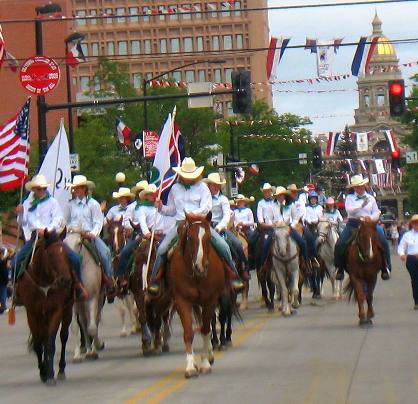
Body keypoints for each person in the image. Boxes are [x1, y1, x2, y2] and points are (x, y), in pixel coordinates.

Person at [148, 157, 244, 295]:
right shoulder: (175, 188)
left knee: (223, 245)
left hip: (200, 223)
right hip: (181, 224)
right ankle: (155, 280)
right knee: (162, 249)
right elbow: (172, 210)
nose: (188, 178)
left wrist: (192, 214)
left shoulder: (202, 187)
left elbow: (207, 207)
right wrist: (160, 207)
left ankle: (234, 275)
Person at [12, 174, 88, 299]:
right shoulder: (27, 203)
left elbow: (58, 219)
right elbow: (23, 222)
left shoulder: (52, 202)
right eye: (38, 189)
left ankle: (78, 286)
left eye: (42, 188)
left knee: (75, 258)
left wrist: (46, 230)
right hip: (34, 237)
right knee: (16, 262)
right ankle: (17, 291)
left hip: (51, 237)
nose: (40, 191)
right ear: (34, 190)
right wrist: (20, 213)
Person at [335, 175, 391, 281]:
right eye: (357, 186)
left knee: (383, 241)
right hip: (353, 224)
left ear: (364, 186)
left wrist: (370, 218)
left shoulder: (371, 198)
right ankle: (340, 268)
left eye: (361, 186)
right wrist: (361, 206)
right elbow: (349, 210)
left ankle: (386, 267)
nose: (359, 188)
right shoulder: (350, 198)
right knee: (340, 243)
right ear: (354, 188)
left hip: (369, 224)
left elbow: (376, 212)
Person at [65, 175, 115, 296]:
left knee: (106, 252)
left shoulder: (93, 204)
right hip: (73, 236)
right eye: (75, 188)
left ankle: (109, 280)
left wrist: (92, 234)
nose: (76, 190)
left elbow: (98, 222)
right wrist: (71, 229)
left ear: (85, 189)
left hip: (89, 235)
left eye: (78, 188)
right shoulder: (70, 204)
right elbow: (65, 222)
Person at [205, 173, 250, 280]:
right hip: (206, 227)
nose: (215, 187)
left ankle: (243, 268)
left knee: (237, 244)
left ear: (220, 186)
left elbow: (226, 216)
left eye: (217, 185)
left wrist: (220, 226)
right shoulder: (204, 198)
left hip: (220, 228)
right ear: (209, 185)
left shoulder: (223, 199)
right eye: (213, 185)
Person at [117, 183, 164, 282]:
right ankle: (123, 276)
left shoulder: (161, 206)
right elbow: (142, 222)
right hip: (144, 234)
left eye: (154, 193)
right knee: (126, 251)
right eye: (149, 194)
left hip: (160, 235)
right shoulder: (140, 208)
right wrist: (147, 233)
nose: (152, 196)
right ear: (145, 195)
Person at [398, 214, 418, 309]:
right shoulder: (407, 235)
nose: (417, 225)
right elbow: (401, 246)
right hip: (412, 259)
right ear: (412, 224)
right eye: (415, 223)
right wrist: (402, 253)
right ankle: (416, 301)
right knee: (415, 280)